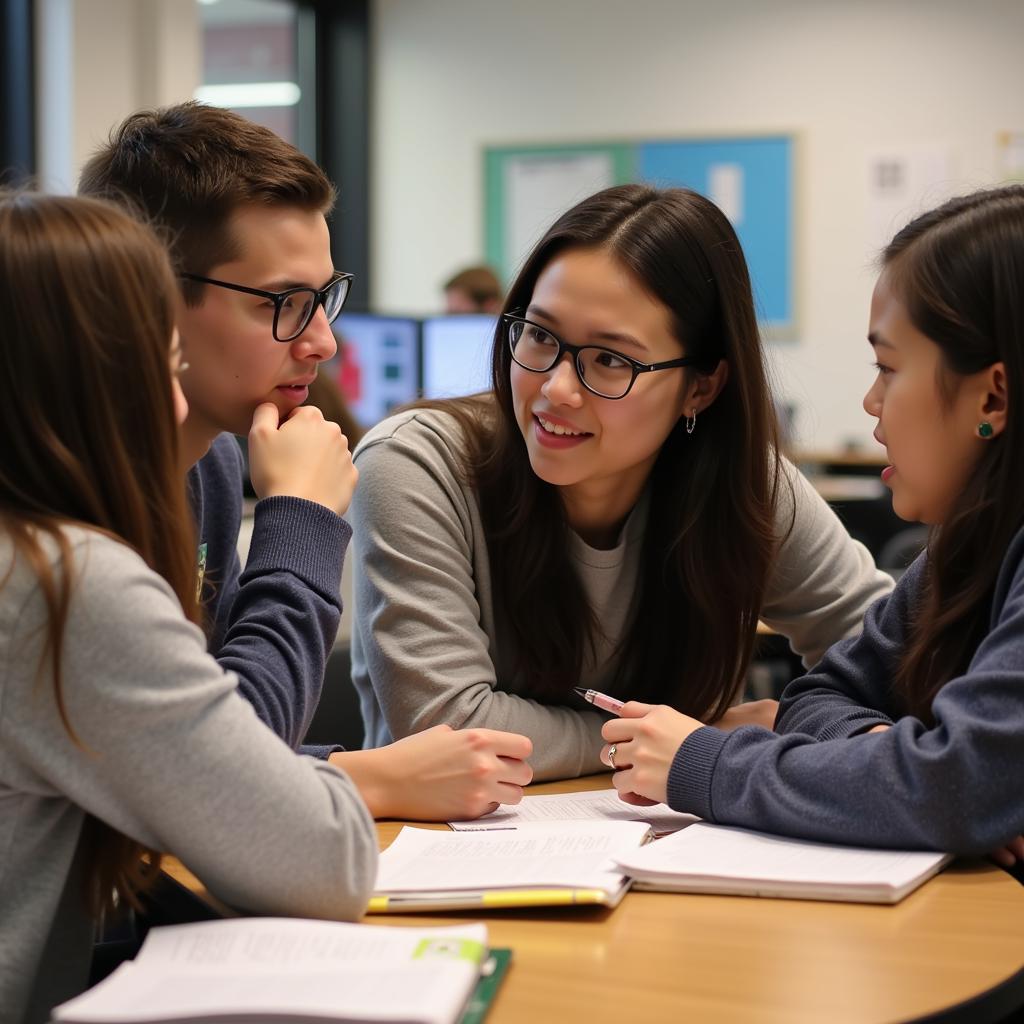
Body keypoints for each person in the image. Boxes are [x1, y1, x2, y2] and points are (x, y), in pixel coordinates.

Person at [78, 101, 531, 821]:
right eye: (286, 302)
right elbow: (221, 778)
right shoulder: (71, 511)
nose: (321, 341)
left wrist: (350, 770)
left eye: (324, 298)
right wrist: (301, 519)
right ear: (149, 302)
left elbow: (215, 741)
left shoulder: (213, 466)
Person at [349, 184, 894, 781]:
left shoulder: (743, 485)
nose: (557, 388)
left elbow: (887, 652)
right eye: (540, 335)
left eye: (611, 359)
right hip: (450, 856)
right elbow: (447, 726)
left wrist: (835, 731)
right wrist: (700, 741)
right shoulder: (417, 464)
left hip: (679, 850)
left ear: (701, 386)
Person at [0, 192, 378, 1024]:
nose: (174, 401)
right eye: (155, 359)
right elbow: (320, 856)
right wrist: (303, 526)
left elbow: (185, 754)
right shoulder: (56, 583)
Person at [600, 184, 1024, 866]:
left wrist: (706, 763)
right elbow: (824, 693)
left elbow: (955, 787)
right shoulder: (966, 547)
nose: (870, 400)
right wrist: (883, 762)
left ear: (993, 396)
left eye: (888, 368)